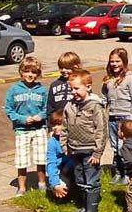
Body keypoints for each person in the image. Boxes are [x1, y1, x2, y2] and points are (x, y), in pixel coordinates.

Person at [61, 69, 108, 212]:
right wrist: (64, 145)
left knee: (91, 181)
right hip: (74, 149)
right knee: (80, 179)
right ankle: (84, 205)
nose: (73, 92)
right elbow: (64, 127)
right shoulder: (70, 106)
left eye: (76, 88)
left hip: (90, 151)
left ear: (88, 87)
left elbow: (102, 130)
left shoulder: (95, 106)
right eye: (71, 89)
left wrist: (98, 152)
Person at [5, 57, 48, 197]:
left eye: (34, 72)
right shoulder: (14, 90)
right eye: (26, 71)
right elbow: (9, 109)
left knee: (41, 158)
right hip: (21, 130)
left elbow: (47, 108)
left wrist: (40, 116)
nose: (30, 75)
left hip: (39, 128)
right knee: (22, 159)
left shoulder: (41, 90)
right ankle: (22, 187)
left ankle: (42, 183)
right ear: (21, 72)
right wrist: (22, 119)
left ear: (38, 73)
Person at [102, 48, 132, 186]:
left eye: (117, 61)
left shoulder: (130, 79)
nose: (114, 64)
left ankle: (127, 173)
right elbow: (104, 96)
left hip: (125, 118)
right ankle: (117, 172)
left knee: (123, 147)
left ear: (124, 62)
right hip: (112, 117)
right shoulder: (109, 79)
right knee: (114, 146)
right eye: (112, 61)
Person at [46, 109, 74, 199]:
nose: (55, 127)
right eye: (53, 125)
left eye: (59, 124)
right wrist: (55, 184)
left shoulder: (73, 138)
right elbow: (51, 162)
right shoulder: (52, 142)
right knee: (60, 186)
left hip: (72, 168)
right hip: (60, 171)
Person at [46, 52, 81, 121]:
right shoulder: (55, 84)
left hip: (76, 120)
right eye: (61, 68)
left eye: (67, 68)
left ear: (75, 67)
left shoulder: (80, 83)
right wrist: (50, 122)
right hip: (59, 121)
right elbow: (50, 106)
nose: (64, 70)